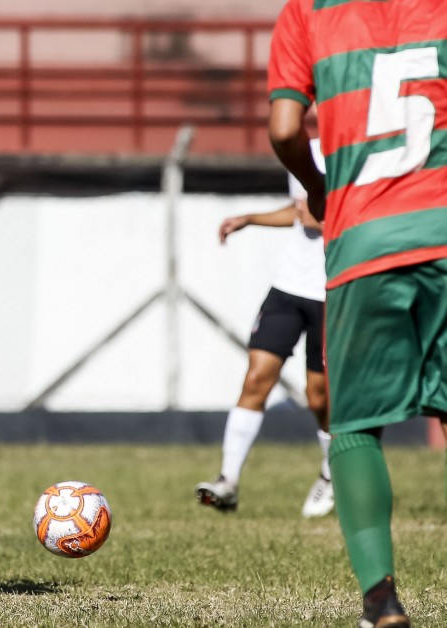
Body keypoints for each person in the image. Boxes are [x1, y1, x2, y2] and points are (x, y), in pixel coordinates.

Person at [269, 1, 447, 625]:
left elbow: (287, 127)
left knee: (353, 426)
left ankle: (381, 598)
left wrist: (318, 189)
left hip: (364, 242)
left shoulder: (309, 11)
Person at [196, 142, 333, 518]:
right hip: (288, 288)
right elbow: (299, 210)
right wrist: (250, 218)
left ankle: (330, 470)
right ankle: (228, 481)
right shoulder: (304, 150)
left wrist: (322, 216)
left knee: (319, 396)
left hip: (331, 290)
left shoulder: (357, 150)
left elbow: (345, 216)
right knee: (256, 377)